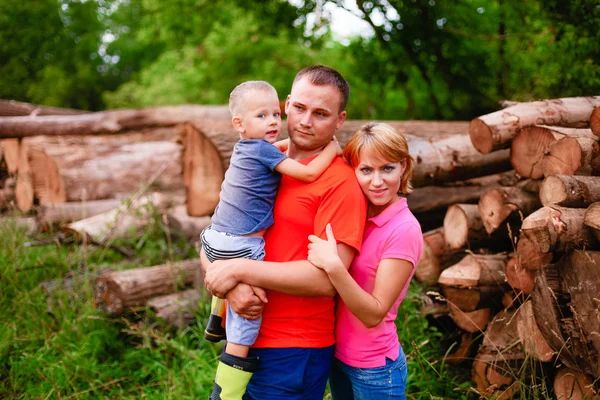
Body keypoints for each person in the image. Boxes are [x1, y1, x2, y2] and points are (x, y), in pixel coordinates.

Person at [203, 65, 367, 399]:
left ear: (340, 120)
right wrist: (230, 286)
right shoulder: (260, 162)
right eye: (300, 108)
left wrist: (237, 270)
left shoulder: (340, 183)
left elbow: (326, 280)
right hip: (244, 340)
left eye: (321, 113)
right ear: (287, 105)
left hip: (293, 349)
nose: (306, 121)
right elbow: (215, 236)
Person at [306, 122, 423, 400]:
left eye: (387, 168)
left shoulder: (403, 229)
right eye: (366, 170)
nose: (377, 181)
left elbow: (374, 313)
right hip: (337, 359)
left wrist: (333, 267)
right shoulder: (359, 217)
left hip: (375, 369)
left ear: (404, 167)